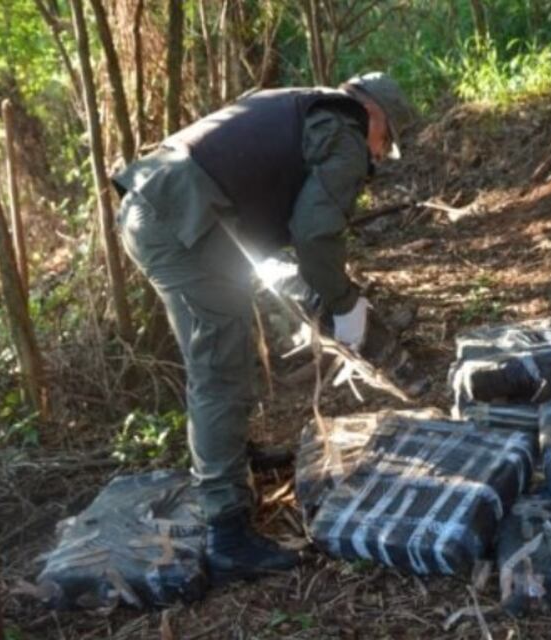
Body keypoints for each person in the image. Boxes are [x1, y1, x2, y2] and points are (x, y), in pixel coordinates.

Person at [112, 72, 417, 585]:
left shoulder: (300, 103)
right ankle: (226, 531)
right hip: (179, 218)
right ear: (374, 114)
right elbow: (315, 232)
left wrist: (319, 294)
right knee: (218, 373)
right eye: (386, 141)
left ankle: (232, 462)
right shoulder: (343, 131)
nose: (381, 155)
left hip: (164, 206)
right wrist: (344, 303)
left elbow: (276, 210)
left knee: (224, 350)